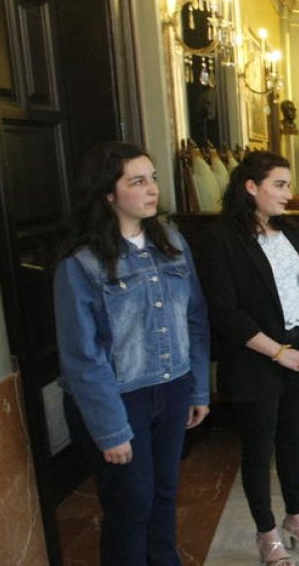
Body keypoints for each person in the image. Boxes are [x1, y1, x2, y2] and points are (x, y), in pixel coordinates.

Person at [55, 142, 210, 565]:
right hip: (121, 398)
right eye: (137, 181)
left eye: (153, 178)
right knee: (130, 504)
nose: (151, 189)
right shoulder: (81, 263)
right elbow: (82, 356)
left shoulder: (172, 242)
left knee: (164, 495)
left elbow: (195, 319)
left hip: (173, 386)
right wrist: (110, 429)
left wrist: (198, 389)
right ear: (109, 193)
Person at [200, 151, 299, 564]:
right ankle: (266, 532)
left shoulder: (290, 232)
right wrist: (278, 353)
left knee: (293, 444)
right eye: (279, 185)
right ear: (250, 187)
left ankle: (296, 518)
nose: (288, 194)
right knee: (259, 450)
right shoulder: (221, 239)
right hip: (256, 360)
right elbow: (226, 312)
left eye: (288, 185)